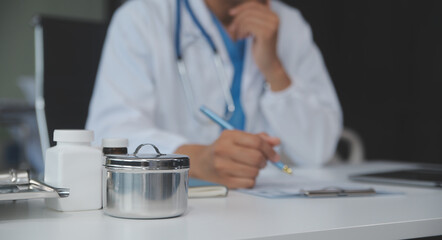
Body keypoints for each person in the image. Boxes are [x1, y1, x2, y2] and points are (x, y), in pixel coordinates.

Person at [86, 0, 342, 189]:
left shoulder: (289, 24)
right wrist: (196, 161)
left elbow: (318, 150)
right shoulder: (142, 17)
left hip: (266, 204)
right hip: (174, 203)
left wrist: (274, 69)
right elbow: (110, 136)